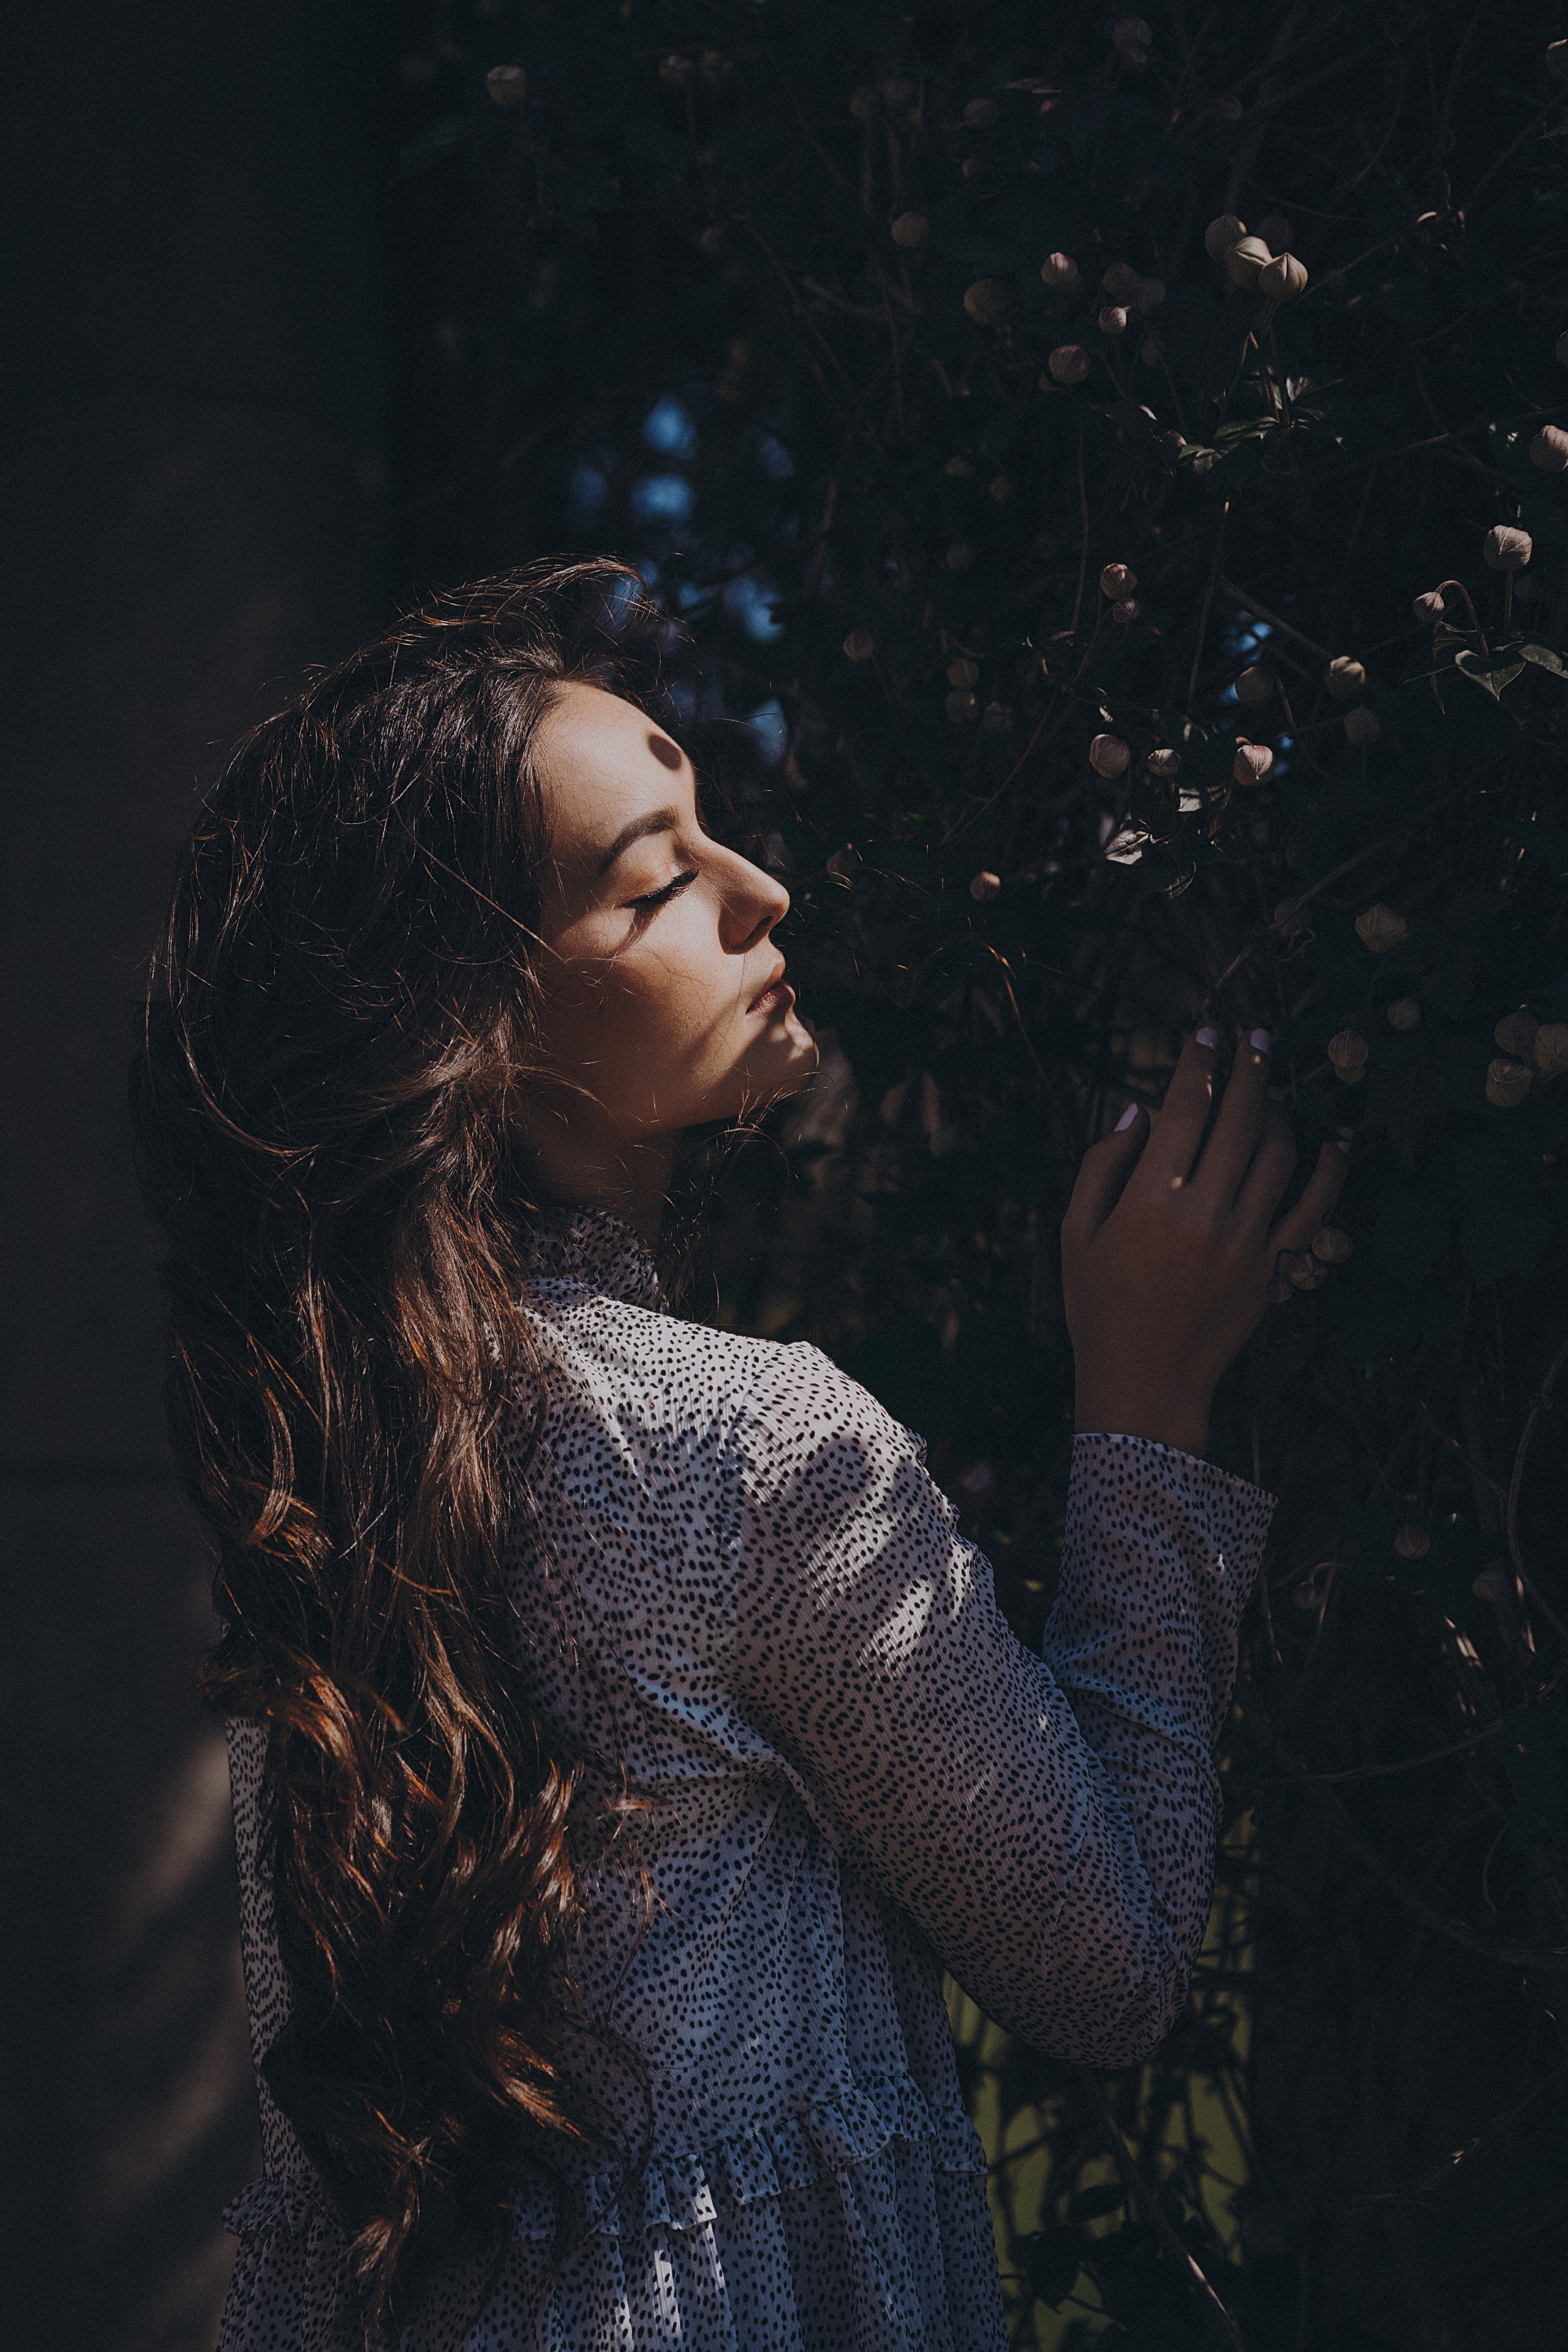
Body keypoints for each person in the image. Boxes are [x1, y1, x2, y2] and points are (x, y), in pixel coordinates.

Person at [132, 559, 1346, 2352]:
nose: (766, 891)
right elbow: (1109, 1966)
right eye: (657, 881)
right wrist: (1148, 1409)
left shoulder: (344, 1487)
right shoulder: (744, 1453)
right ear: (481, 1034)